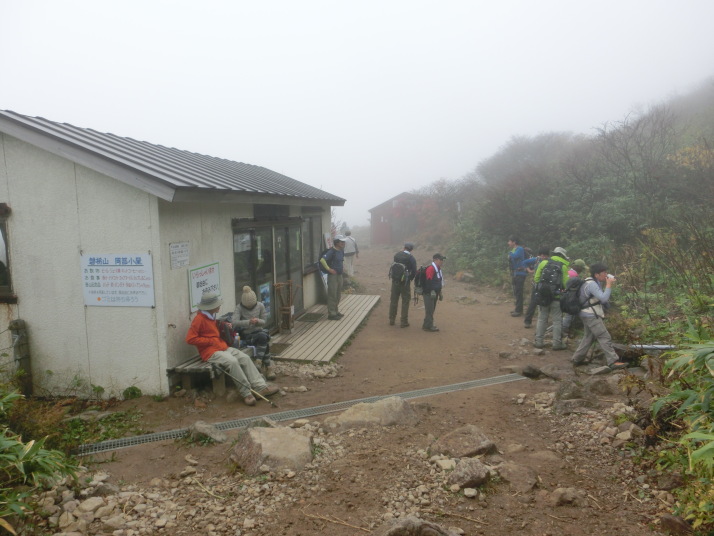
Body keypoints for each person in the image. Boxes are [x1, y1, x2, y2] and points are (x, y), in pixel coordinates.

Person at [186, 291, 279, 406]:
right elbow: (190, 339)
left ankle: (260, 387)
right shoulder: (199, 319)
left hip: (222, 347)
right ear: (210, 307)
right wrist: (210, 341)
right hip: (210, 352)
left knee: (244, 358)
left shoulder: (211, 317)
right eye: (217, 305)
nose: (219, 306)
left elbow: (213, 333)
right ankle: (246, 393)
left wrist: (224, 326)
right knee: (233, 362)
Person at [571, 263, 627, 370]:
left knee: (589, 336)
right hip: (591, 315)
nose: (606, 274)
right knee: (604, 336)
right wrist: (609, 285)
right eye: (604, 273)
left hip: (585, 313)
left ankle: (577, 359)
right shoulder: (591, 284)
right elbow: (604, 298)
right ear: (596, 274)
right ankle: (613, 361)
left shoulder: (592, 282)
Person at [232, 285, 275, 380]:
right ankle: (268, 368)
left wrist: (257, 321)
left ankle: (259, 361)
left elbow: (264, 320)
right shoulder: (239, 308)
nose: (250, 307)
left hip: (258, 331)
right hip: (247, 335)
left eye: (252, 306)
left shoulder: (260, 305)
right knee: (264, 338)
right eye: (247, 306)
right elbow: (234, 322)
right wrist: (248, 322)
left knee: (262, 336)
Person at [533, 246, 569, 350]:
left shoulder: (544, 263)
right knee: (557, 321)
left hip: (543, 296)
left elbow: (536, 279)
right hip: (556, 297)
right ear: (563, 256)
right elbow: (566, 284)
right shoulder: (563, 267)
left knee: (542, 318)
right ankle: (557, 344)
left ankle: (539, 342)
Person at [389, 242, 418, 328]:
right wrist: (409, 279)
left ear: (404, 248)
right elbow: (414, 271)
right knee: (405, 301)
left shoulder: (397, 255)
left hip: (395, 281)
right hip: (405, 283)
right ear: (411, 250)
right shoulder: (411, 258)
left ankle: (392, 319)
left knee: (394, 300)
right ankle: (403, 321)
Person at [523, 246, 550, 329]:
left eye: (545, 255)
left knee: (544, 304)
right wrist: (529, 271)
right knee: (533, 303)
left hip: (545, 286)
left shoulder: (549, 261)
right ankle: (527, 321)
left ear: (548, 255)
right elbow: (524, 262)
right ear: (539, 255)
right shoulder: (537, 259)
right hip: (536, 285)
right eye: (542, 255)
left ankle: (543, 322)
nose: (543, 257)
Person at [321, 235, 346, 320]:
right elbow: (322, 260)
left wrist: (342, 268)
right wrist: (329, 269)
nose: (343, 243)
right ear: (337, 242)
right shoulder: (331, 251)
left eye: (343, 242)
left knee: (338, 294)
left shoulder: (341, 251)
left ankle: (336, 311)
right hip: (333, 276)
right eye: (341, 242)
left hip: (339, 275)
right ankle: (331, 314)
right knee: (332, 294)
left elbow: (340, 261)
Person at [562, 259, 587, 338]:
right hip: (570, 297)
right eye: (581, 268)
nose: (582, 270)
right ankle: (564, 330)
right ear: (578, 267)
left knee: (568, 315)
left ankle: (565, 329)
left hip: (564, 296)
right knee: (569, 315)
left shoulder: (569, 272)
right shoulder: (573, 275)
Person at [422, 253, 445, 332]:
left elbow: (438, 281)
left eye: (442, 260)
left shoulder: (437, 269)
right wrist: (431, 291)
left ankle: (426, 325)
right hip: (429, 293)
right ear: (435, 260)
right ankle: (429, 326)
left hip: (434, 292)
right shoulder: (431, 268)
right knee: (430, 310)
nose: (442, 261)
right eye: (440, 259)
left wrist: (439, 292)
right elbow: (428, 281)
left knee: (431, 309)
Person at [507, 236, 528, 317]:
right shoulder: (514, 249)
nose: (508, 243)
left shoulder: (519, 249)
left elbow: (514, 256)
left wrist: (510, 253)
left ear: (514, 242)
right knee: (516, 291)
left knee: (519, 292)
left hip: (521, 273)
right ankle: (517, 309)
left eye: (509, 241)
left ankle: (519, 311)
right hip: (516, 273)